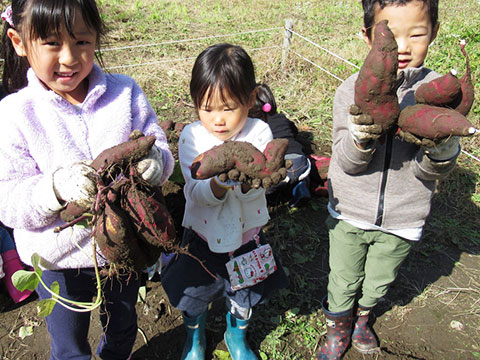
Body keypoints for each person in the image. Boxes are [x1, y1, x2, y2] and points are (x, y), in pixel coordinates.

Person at [0, 1, 174, 359]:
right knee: (67, 340)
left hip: (123, 247)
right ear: (19, 41)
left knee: (123, 325)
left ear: (96, 37)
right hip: (57, 262)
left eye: (82, 42)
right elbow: (8, 199)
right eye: (51, 43)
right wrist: (53, 189)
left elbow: (155, 138)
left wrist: (158, 163)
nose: (69, 58)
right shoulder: (15, 114)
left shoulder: (125, 93)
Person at [317, 0, 460, 359]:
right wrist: (360, 138)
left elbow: (428, 172)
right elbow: (345, 164)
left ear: (434, 33)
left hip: (404, 216)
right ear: (368, 36)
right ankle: (338, 324)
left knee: (379, 280)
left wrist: (441, 153)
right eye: (391, 34)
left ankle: (363, 317)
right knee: (343, 278)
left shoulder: (437, 95)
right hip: (350, 211)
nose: (403, 46)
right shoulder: (348, 91)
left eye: (416, 34)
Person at [161, 43, 288, 360]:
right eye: (207, 108)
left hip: (247, 236)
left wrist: (248, 178)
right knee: (195, 294)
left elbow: (258, 186)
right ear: (195, 104)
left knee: (244, 293)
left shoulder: (259, 132)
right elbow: (194, 191)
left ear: (250, 98)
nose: (217, 120)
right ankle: (195, 340)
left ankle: (236, 339)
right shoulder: (192, 137)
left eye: (228, 108)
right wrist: (219, 181)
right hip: (202, 236)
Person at [249, 83, 312, 207]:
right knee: (300, 174)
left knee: (264, 187)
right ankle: (300, 186)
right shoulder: (281, 118)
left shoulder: (256, 127)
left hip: (281, 168)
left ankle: (265, 200)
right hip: (301, 162)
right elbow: (294, 131)